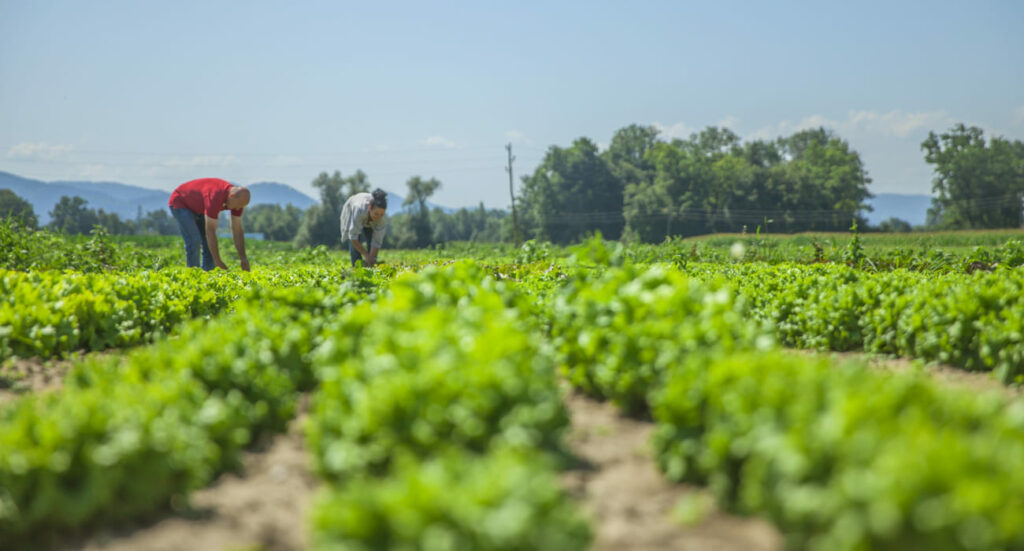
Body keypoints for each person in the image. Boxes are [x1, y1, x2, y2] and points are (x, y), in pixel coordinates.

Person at [168, 177, 251, 271]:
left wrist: (243, 258)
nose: (238, 209)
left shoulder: (238, 202)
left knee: (208, 245)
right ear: (231, 196)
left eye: (241, 207)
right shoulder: (215, 197)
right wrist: (217, 261)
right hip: (181, 202)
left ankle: (207, 275)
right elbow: (210, 231)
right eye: (238, 205)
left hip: (200, 208)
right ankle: (193, 275)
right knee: (194, 240)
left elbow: (237, 230)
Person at [340, 188, 388, 267]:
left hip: (369, 221)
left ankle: (370, 268)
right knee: (354, 246)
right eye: (376, 214)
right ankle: (356, 268)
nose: (379, 217)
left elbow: (376, 241)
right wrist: (366, 255)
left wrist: (371, 258)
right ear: (370, 208)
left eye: (381, 214)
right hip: (352, 212)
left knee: (371, 247)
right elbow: (353, 237)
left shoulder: (382, 219)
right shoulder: (359, 209)